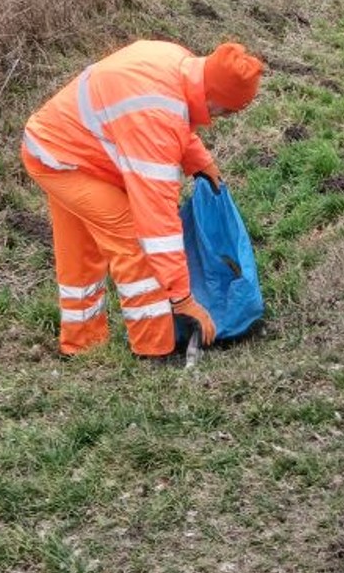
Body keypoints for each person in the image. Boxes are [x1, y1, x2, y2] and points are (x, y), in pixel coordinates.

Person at [20, 38, 265, 359]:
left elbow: (174, 116)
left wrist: (200, 162)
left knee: (80, 250)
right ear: (213, 99)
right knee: (134, 242)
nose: (221, 118)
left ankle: (82, 345)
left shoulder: (180, 63)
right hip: (64, 161)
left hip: (59, 144)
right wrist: (182, 298)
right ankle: (154, 349)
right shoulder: (156, 119)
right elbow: (157, 225)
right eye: (226, 111)